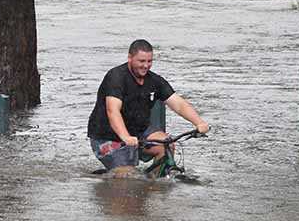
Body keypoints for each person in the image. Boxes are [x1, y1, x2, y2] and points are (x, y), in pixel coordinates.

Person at [87, 39, 209, 175]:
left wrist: (199, 122)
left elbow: (178, 104)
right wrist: (125, 137)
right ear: (130, 58)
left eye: (149, 61)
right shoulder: (116, 78)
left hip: (139, 131)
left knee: (166, 145)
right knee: (127, 178)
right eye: (141, 61)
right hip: (108, 136)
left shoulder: (154, 80)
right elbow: (112, 111)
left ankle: (157, 185)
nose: (146, 66)